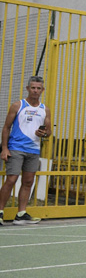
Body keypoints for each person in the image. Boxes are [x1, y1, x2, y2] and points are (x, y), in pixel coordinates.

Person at [0, 76, 52, 225]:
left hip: (33, 150)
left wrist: (44, 133)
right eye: (33, 87)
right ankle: (0, 211)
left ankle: (21, 214)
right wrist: (4, 148)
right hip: (16, 148)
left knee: (28, 181)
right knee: (11, 179)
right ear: (28, 88)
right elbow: (6, 128)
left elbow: (48, 132)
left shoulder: (44, 109)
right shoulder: (18, 105)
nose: (36, 90)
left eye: (38, 88)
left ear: (42, 90)